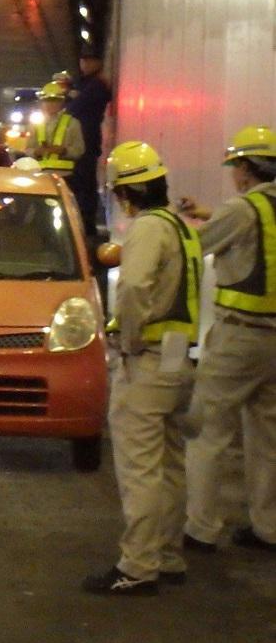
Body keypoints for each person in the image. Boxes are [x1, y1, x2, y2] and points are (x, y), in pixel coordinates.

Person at [82, 142, 200, 596]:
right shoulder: (181, 227)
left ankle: (138, 565)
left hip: (148, 359)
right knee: (170, 465)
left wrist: (127, 340)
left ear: (125, 193)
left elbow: (132, 287)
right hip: (179, 359)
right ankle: (168, 556)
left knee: (140, 469)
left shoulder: (148, 228)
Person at [179, 125, 276, 555]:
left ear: (246, 168)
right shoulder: (258, 207)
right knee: (267, 437)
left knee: (208, 431)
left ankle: (201, 528)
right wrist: (208, 211)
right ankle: (268, 528)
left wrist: (177, 227)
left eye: (236, 166)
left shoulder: (240, 208)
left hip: (241, 336)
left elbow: (196, 247)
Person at [66, 51, 113, 233]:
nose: (83, 64)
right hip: (84, 140)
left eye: (88, 61)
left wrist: (71, 96)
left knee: (85, 185)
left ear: (97, 62)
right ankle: (82, 223)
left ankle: (86, 225)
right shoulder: (87, 84)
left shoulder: (96, 85)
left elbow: (74, 108)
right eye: (82, 60)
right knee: (82, 184)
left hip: (87, 140)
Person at [26, 81, 85, 177]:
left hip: (65, 175)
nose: (51, 103)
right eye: (47, 100)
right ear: (42, 102)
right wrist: (36, 152)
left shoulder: (73, 123)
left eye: (55, 100)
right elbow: (28, 149)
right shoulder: (35, 123)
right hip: (40, 175)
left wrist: (64, 151)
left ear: (62, 102)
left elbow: (79, 150)